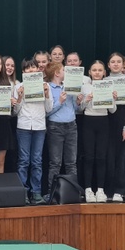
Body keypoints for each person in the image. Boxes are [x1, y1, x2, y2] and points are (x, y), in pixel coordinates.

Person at [13, 57, 53, 204]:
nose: (31, 70)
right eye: (27, 68)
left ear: (38, 69)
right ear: (23, 71)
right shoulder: (18, 87)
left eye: (33, 67)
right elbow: (15, 112)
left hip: (39, 127)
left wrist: (47, 94)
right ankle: (23, 192)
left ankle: (36, 193)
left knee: (37, 161)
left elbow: (49, 109)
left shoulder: (45, 85)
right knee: (23, 161)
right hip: (23, 126)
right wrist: (20, 97)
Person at [80, 61, 116, 203]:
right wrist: (86, 100)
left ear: (104, 72)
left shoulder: (109, 86)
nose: (97, 72)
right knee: (89, 157)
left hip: (103, 122)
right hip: (88, 121)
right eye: (94, 70)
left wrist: (113, 99)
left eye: (100, 70)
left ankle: (100, 190)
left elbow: (112, 110)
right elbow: (80, 108)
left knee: (101, 157)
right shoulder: (85, 87)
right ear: (90, 72)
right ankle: (88, 189)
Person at [105, 52, 125, 202]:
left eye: (119, 62)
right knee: (109, 156)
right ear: (108, 65)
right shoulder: (104, 80)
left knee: (123, 157)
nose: (116, 64)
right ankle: (109, 190)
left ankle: (120, 190)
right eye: (113, 62)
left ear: (123, 64)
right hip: (109, 118)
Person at [44, 61, 79, 192]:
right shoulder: (48, 88)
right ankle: (52, 192)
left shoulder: (69, 87)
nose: (65, 72)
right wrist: (59, 102)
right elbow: (47, 112)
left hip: (71, 126)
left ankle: (73, 192)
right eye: (63, 70)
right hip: (55, 127)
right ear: (57, 73)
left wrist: (78, 102)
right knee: (55, 162)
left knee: (71, 162)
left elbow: (75, 108)